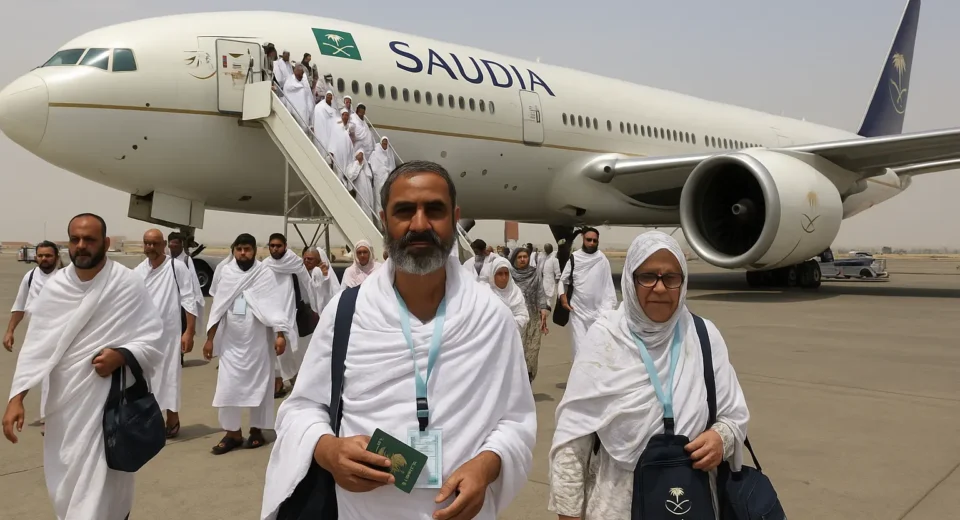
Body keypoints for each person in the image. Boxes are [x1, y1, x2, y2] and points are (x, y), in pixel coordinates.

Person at [261, 160, 536, 520]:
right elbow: (300, 409)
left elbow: (516, 421)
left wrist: (487, 466)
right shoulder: (347, 312)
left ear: (454, 218)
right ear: (383, 220)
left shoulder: (491, 317)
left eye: (434, 210)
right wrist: (328, 450)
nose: (419, 224)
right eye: (404, 211)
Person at [547, 231, 750, 519]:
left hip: (693, 503)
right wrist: (568, 514)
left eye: (671, 278)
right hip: (616, 506)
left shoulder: (703, 336)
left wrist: (721, 439)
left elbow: (734, 416)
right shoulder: (605, 340)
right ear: (630, 280)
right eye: (647, 276)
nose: (659, 288)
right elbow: (572, 441)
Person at [3, 213, 164, 520]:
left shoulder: (126, 283)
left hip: (109, 410)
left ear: (104, 243)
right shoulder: (55, 288)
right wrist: (16, 398)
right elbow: (35, 347)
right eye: (75, 239)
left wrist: (123, 354)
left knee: (99, 498)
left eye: (89, 240)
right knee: (68, 493)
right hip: (65, 410)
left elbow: (155, 339)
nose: (81, 246)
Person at [203, 233, 294, 454]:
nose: (243, 253)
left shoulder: (264, 273)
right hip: (231, 344)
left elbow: (275, 306)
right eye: (239, 249)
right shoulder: (226, 272)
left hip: (259, 343)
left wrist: (280, 334)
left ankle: (256, 431)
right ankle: (232, 433)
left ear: (254, 251)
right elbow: (218, 307)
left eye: (247, 249)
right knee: (227, 388)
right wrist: (209, 339)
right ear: (234, 250)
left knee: (261, 388)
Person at [134, 229, 198, 439]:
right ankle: (151, 421)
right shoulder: (137, 272)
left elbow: (189, 299)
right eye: (147, 243)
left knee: (170, 377)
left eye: (155, 243)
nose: (150, 248)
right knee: (146, 379)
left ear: (163, 245)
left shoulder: (176, 267)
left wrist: (189, 331)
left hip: (170, 336)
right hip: (144, 336)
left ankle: (173, 417)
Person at [263, 233, 315, 394]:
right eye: (272, 245)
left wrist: (313, 306)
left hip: (293, 312)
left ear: (285, 246)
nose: (275, 249)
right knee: (272, 349)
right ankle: (278, 382)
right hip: (271, 313)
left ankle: (297, 381)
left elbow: (307, 286)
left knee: (293, 349)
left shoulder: (295, 263)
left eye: (278, 245)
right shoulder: (265, 265)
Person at [559, 228, 618, 358]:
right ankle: (579, 377)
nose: (591, 243)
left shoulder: (602, 259)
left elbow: (608, 286)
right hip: (577, 312)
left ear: (598, 241)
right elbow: (563, 280)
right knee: (579, 350)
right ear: (583, 239)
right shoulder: (575, 258)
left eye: (594, 240)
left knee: (596, 350)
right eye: (588, 240)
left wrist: (607, 310)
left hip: (598, 314)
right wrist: (563, 298)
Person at [4, 241, 61, 352]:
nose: (44, 258)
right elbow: (19, 307)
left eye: (48, 255)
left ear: (57, 257)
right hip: (34, 337)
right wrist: (10, 331)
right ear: (35, 257)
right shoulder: (30, 276)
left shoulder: (65, 277)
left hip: (58, 338)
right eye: (40, 255)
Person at [509, 247, 550, 382]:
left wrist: (543, 309)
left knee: (532, 352)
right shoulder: (508, 274)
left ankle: (528, 381)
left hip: (532, 319)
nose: (522, 259)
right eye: (519, 257)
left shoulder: (535, 273)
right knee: (515, 353)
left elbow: (540, 292)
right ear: (514, 259)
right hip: (514, 320)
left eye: (525, 257)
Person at [488, 256, 528, 332]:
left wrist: (506, 325)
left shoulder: (515, 292)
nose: (504, 277)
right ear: (493, 275)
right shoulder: (487, 293)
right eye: (500, 273)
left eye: (506, 273)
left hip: (513, 336)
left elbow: (523, 316)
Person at [283, 65, 314, 130]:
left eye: (302, 74)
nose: (302, 76)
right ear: (295, 73)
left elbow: (309, 98)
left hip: (305, 113)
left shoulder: (304, 82)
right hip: (295, 115)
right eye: (300, 74)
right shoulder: (289, 82)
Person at [327, 109, 355, 183]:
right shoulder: (337, 127)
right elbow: (333, 139)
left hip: (347, 153)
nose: (345, 117)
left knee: (346, 171)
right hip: (338, 153)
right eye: (344, 115)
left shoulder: (350, 127)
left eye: (347, 115)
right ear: (342, 116)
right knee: (338, 172)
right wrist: (331, 152)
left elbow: (352, 140)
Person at [370, 136, 396, 213]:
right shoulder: (375, 153)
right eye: (383, 143)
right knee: (378, 199)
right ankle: (378, 219)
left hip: (387, 180)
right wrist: (383, 170)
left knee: (386, 199)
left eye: (386, 144)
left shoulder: (389, 153)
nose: (384, 145)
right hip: (378, 180)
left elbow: (392, 166)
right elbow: (373, 168)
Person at [347, 150, 376, 217]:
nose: (360, 158)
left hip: (367, 195)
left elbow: (370, 181)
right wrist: (358, 164)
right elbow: (351, 175)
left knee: (369, 210)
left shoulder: (366, 169)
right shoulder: (352, 166)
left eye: (361, 156)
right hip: (359, 193)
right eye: (359, 156)